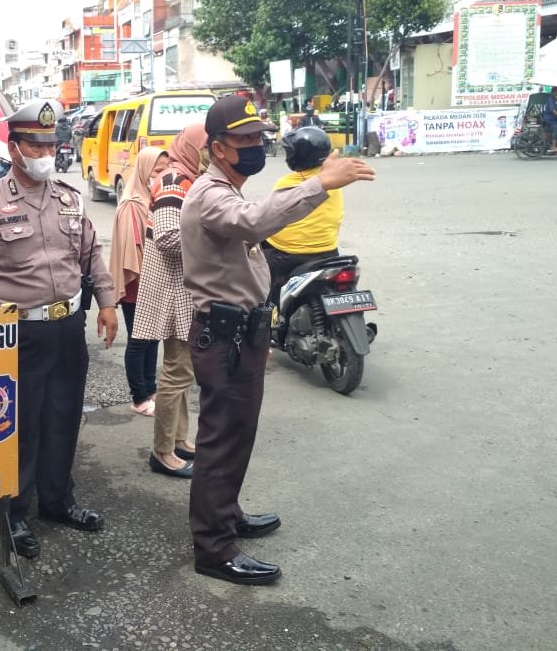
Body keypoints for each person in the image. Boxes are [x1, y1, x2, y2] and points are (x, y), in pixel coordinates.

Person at [180, 95, 375, 586]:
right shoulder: (208, 193)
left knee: (238, 435)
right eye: (245, 139)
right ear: (218, 148)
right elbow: (253, 222)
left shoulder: (229, 187)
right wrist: (320, 183)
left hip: (243, 332)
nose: (255, 146)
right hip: (223, 336)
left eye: (259, 138)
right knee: (221, 440)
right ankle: (213, 548)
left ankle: (226, 515)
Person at [0, 99, 118, 560]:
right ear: (14, 148)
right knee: (20, 426)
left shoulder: (69, 197)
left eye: (50, 144)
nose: (46, 153)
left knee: (63, 416)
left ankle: (58, 501)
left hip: (68, 327)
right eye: (36, 145)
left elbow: (91, 253)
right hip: (18, 334)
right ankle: (14, 514)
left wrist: (107, 303)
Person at [133, 123, 207, 479]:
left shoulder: (186, 178)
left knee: (182, 371)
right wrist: (213, 244)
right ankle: (162, 451)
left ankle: (179, 440)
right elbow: (166, 236)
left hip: (180, 288)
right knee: (177, 373)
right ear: (193, 147)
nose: (211, 152)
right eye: (207, 146)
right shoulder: (175, 182)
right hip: (174, 290)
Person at [109, 147, 169, 416]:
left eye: (165, 170)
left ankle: (150, 389)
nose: (162, 175)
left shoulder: (152, 198)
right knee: (139, 340)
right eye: (158, 170)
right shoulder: (132, 204)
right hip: (138, 283)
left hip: (153, 280)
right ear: (144, 169)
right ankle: (139, 397)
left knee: (152, 337)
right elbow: (133, 252)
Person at [262, 126, 342, 308]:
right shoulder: (332, 180)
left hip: (289, 255)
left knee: (257, 269)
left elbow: (270, 215)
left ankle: (268, 313)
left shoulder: (288, 182)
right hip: (329, 251)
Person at [541, 86, 557, 154]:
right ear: (555, 91)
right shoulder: (550, 98)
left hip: (553, 118)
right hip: (549, 118)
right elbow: (552, 110)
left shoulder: (554, 98)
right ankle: (553, 146)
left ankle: (555, 143)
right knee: (556, 129)